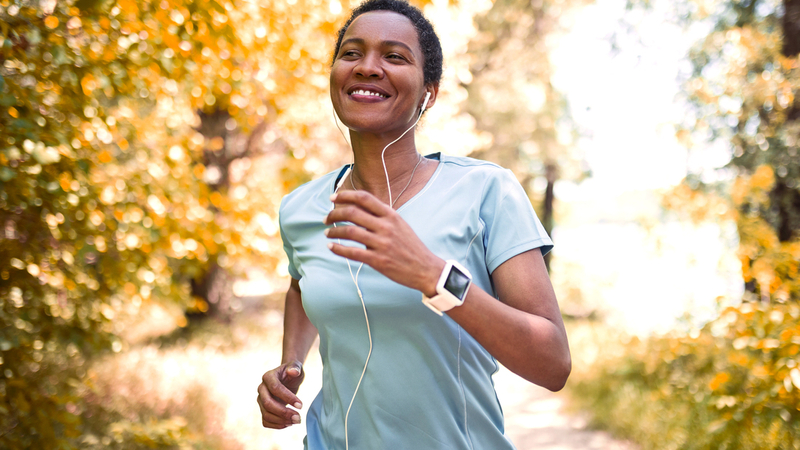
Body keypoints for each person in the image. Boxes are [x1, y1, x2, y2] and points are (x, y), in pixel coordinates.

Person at [257, 0, 571, 448]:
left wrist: (434, 276)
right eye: (351, 53)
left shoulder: (485, 191)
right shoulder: (300, 208)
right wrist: (291, 365)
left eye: (394, 56)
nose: (368, 67)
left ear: (429, 92)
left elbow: (552, 363)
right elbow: (301, 285)